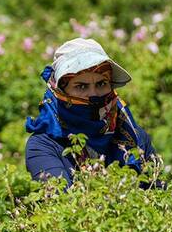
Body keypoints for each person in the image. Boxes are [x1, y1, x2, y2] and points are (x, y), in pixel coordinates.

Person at [25, 37, 161, 188]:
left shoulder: (134, 135)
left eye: (101, 84)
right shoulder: (43, 146)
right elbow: (61, 205)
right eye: (81, 86)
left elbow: (159, 195)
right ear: (60, 92)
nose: (94, 94)